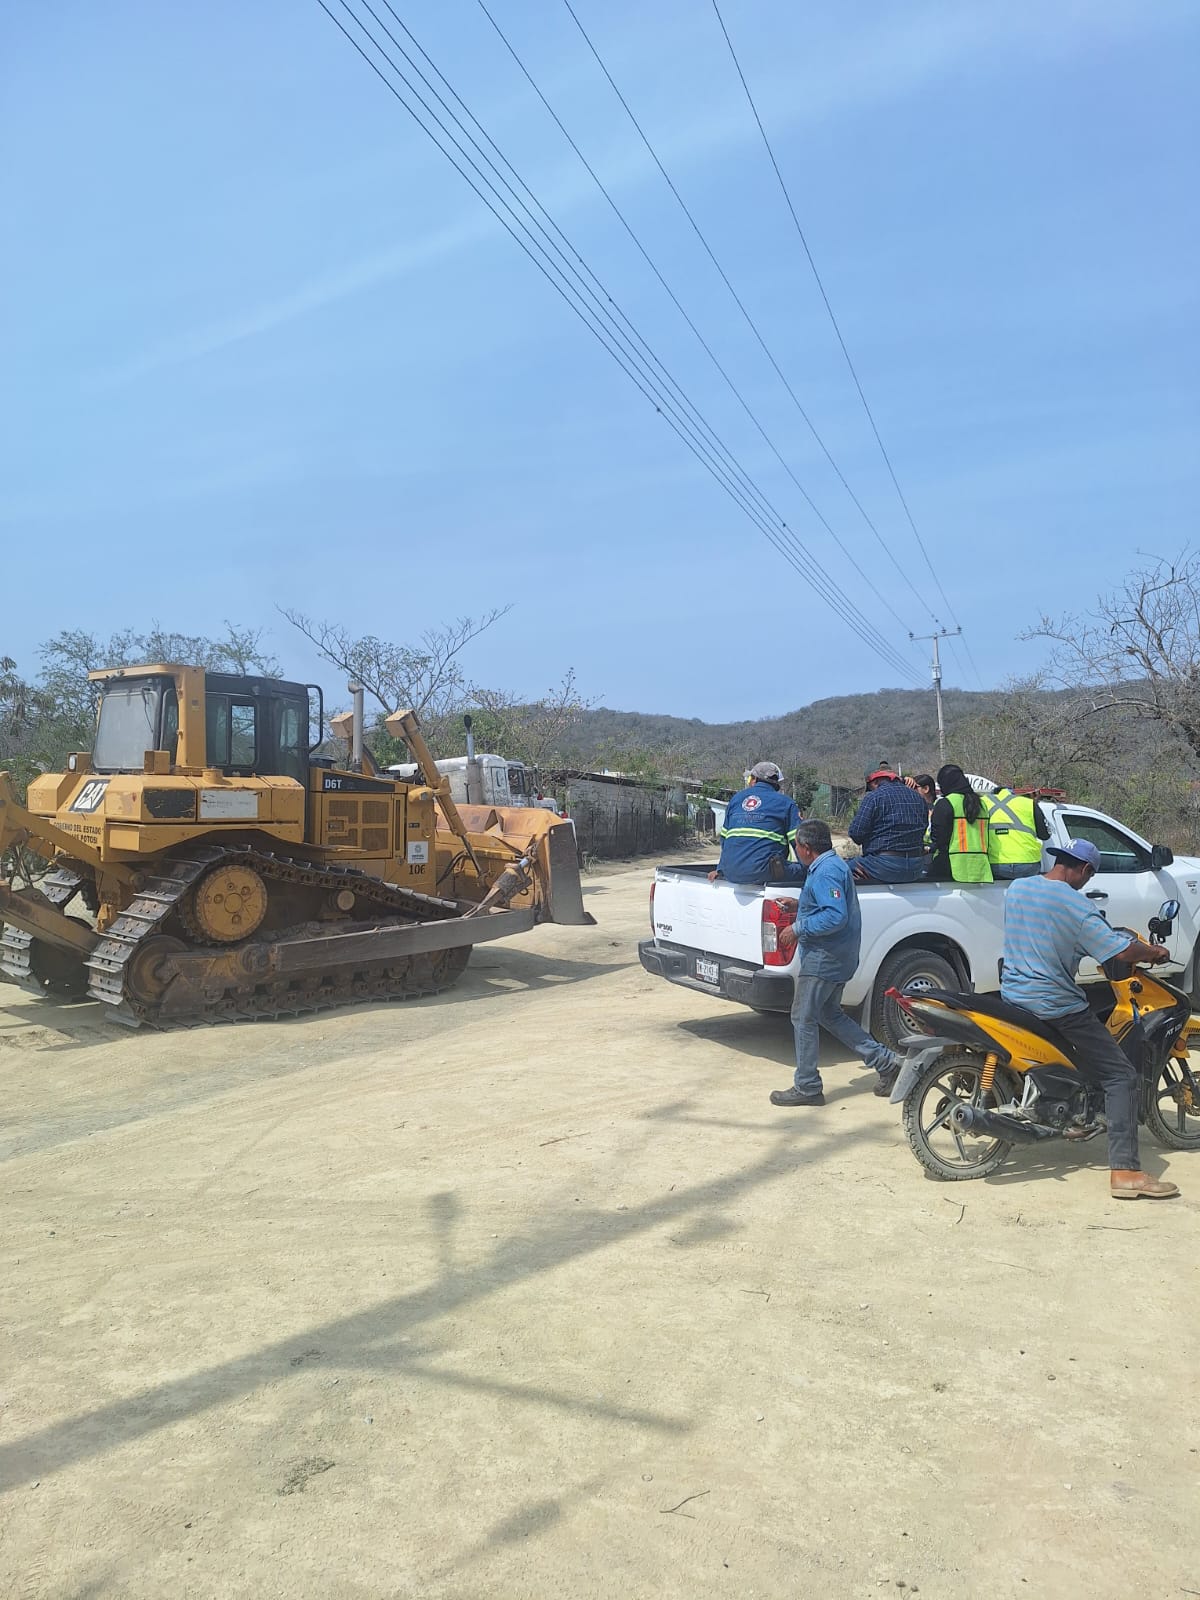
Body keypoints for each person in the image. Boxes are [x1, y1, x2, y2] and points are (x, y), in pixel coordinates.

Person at [1000, 838, 1179, 1200]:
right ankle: (1126, 1172)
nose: (1087, 882)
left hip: (1014, 995)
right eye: (1090, 875)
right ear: (1084, 870)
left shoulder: (1018, 889)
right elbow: (1121, 950)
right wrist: (1153, 952)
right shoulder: (1077, 907)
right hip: (1053, 1003)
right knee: (1121, 1075)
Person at [768, 819, 902, 1107]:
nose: (796, 851)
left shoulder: (826, 871)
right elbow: (828, 906)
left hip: (825, 958)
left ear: (806, 848)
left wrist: (797, 928)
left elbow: (834, 916)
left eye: (796, 846)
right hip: (837, 956)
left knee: (802, 1017)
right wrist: (800, 905)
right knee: (829, 1014)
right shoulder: (831, 866)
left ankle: (807, 1086)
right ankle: (886, 1062)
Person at [709, 762, 803, 885]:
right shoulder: (786, 803)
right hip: (765, 872)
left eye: (749, 778)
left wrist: (720, 869)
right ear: (776, 784)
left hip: (730, 872)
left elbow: (724, 840)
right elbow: (799, 842)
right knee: (805, 870)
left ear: (754, 779)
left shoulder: (736, 800)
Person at [847, 765, 929, 883]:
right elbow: (923, 828)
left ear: (875, 782)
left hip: (883, 866)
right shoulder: (918, 797)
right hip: (916, 867)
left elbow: (856, 834)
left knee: (839, 869)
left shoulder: (874, 797)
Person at [927, 764, 993, 882]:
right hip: (980, 866)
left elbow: (938, 838)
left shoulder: (946, 803)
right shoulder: (982, 804)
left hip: (951, 866)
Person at [982, 784, 1050, 878]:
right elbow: (1045, 835)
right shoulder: (1028, 803)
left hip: (995, 863)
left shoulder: (983, 803)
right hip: (1027, 863)